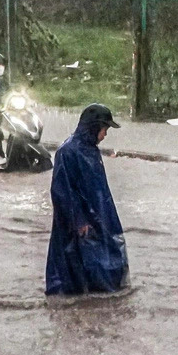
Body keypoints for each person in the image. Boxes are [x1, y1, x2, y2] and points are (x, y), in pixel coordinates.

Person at [46, 103, 129, 296]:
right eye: (104, 129)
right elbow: (62, 191)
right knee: (75, 266)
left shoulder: (91, 150)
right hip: (77, 222)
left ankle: (99, 296)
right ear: (94, 127)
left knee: (104, 261)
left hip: (99, 216)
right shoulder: (68, 152)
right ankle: (77, 300)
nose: (105, 135)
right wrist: (79, 220)